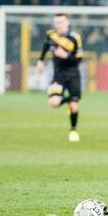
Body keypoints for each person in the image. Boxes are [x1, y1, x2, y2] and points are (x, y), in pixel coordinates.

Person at [37, 13, 83, 142]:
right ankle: (72, 99)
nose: (59, 25)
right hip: (58, 76)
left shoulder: (75, 38)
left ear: (67, 23)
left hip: (73, 75)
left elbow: (79, 59)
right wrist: (41, 60)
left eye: (62, 22)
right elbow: (46, 45)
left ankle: (73, 130)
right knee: (54, 103)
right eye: (57, 22)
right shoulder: (51, 35)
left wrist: (66, 56)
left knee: (74, 107)